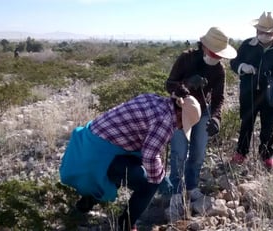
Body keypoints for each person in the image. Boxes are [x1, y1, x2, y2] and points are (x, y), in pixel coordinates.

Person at [59, 86, 201, 231]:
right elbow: (150, 156)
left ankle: (87, 201)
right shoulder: (164, 122)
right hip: (101, 157)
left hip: (88, 145)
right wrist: (161, 178)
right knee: (150, 183)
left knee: (137, 165)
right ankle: (126, 224)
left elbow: (143, 145)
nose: (179, 128)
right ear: (179, 114)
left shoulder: (153, 99)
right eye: (183, 124)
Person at [164, 27, 237, 220]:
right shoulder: (186, 58)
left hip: (203, 111)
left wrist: (216, 118)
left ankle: (192, 187)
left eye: (219, 55)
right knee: (179, 152)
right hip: (180, 109)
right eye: (213, 53)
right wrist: (186, 84)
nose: (216, 57)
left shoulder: (219, 70)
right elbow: (169, 84)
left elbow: (219, 98)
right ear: (203, 46)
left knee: (198, 152)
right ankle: (176, 192)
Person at [229, 11, 273, 169]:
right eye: (261, 32)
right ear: (256, 30)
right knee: (246, 123)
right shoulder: (247, 45)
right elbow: (234, 62)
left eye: (268, 32)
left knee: (268, 126)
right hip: (249, 93)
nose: (264, 35)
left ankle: (266, 156)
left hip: (271, 96)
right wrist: (241, 67)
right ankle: (241, 153)